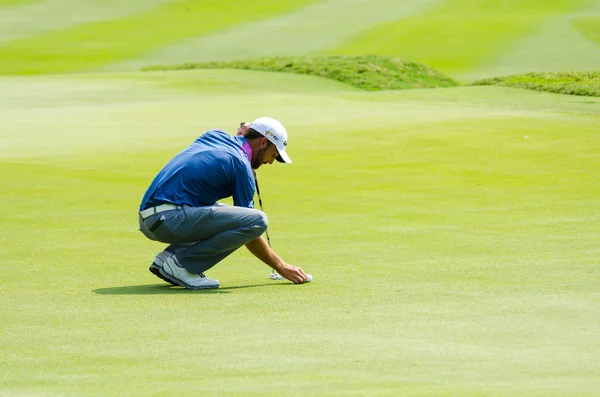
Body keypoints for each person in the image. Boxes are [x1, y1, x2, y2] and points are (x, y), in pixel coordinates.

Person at [138, 117, 308, 289]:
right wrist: (281, 266)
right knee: (257, 220)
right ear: (264, 142)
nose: (270, 161)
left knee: (224, 213)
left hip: (152, 217)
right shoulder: (241, 165)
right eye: (273, 154)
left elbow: (236, 148)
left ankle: (168, 258)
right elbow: (251, 229)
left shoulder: (215, 135)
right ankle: (181, 265)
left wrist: (246, 138)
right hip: (167, 220)